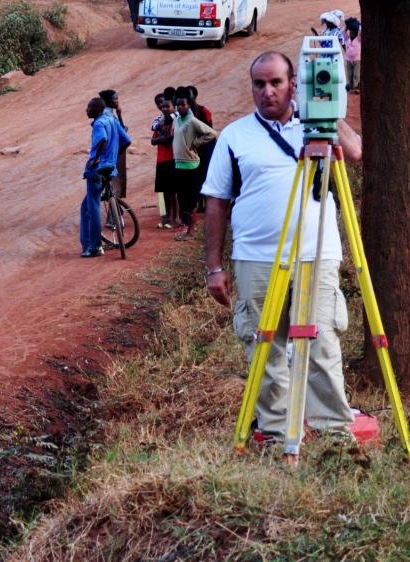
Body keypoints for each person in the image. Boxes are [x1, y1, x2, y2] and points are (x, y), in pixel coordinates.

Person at [202, 51, 363, 442]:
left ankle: (333, 437)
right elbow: (216, 202)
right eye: (259, 84)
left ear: (294, 84)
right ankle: (274, 434)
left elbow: (355, 152)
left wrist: (322, 109)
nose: (267, 92)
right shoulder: (235, 136)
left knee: (321, 343)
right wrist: (214, 267)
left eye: (276, 83)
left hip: (316, 255)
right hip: (255, 259)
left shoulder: (319, 127)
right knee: (265, 347)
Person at [80, 97, 128, 258]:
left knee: (91, 207)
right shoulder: (112, 120)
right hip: (110, 167)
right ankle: (93, 244)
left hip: (97, 169)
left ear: (98, 109)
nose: (86, 110)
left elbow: (102, 139)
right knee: (89, 204)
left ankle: (94, 246)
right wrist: (113, 156)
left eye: (89, 107)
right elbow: (126, 140)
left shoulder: (100, 123)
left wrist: (96, 159)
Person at [171, 94, 216, 241]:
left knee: (191, 200)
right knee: (183, 199)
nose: (179, 107)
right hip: (179, 164)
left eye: (182, 104)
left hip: (191, 165)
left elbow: (211, 133)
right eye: (178, 105)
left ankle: (191, 231)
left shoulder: (192, 121)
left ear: (189, 105)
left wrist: (196, 143)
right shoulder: (177, 120)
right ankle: (188, 229)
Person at [151, 95, 178, 229]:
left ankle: (175, 218)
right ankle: (166, 217)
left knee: (173, 191)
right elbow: (153, 140)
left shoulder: (175, 121)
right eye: (162, 106)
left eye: (167, 106)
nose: (164, 108)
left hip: (172, 159)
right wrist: (164, 137)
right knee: (164, 190)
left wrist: (161, 138)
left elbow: (170, 139)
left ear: (174, 107)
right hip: (161, 159)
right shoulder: (159, 122)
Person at [98, 89, 129, 199]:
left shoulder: (108, 113)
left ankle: (115, 210)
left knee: (114, 180)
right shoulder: (108, 115)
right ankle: (115, 210)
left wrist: (119, 114)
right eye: (115, 99)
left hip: (113, 150)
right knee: (114, 180)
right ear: (108, 101)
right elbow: (123, 134)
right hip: (113, 151)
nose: (117, 101)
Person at [344, 17, 361, 94]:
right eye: (350, 32)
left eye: (353, 32)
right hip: (348, 59)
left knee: (356, 74)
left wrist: (359, 25)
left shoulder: (359, 39)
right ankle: (351, 87)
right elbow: (342, 33)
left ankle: (356, 87)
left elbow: (361, 31)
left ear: (356, 33)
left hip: (357, 59)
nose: (351, 34)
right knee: (349, 74)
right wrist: (346, 27)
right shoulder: (347, 38)